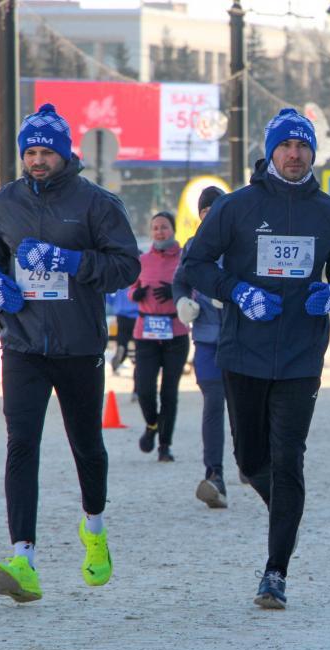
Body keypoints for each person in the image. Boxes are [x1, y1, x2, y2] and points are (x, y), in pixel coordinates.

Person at [182, 108, 330, 608]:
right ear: (271, 151)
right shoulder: (237, 207)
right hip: (244, 355)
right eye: (286, 145)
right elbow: (195, 262)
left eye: (303, 146)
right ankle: (286, 510)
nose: (294, 154)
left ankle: (275, 573)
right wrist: (237, 291)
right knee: (250, 462)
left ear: (312, 154)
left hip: (302, 357)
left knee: (288, 462)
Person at [0, 103, 140, 602]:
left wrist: (70, 261)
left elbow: (125, 267)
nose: (38, 160)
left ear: (65, 154)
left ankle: (95, 529)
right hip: (23, 344)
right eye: (31, 152)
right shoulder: (8, 201)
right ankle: (23, 558)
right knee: (21, 443)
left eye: (47, 151)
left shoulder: (96, 204)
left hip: (78, 346)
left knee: (86, 444)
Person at [173, 186, 230, 507]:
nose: (212, 218)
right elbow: (181, 279)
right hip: (207, 337)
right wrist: (182, 301)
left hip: (241, 338)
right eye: (206, 212)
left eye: (217, 211)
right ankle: (215, 476)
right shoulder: (194, 246)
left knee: (243, 405)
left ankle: (248, 460)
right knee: (213, 401)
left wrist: (236, 295)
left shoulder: (242, 243)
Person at [128, 211, 190, 461]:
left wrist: (176, 292)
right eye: (155, 228)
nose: (159, 232)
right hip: (146, 332)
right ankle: (152, 424)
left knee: (169, 392)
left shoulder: (185, 258)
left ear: (173, 230)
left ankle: (165, 445)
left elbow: (194, 291)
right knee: (144, 388)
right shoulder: (142, 259)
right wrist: (137, 295)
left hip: (175, 332)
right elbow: (130, 290)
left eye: (164, 227)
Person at [106, 285, 138, 375]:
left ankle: (121, 350)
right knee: (139, 344)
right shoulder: (137, 282)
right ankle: (136, 359)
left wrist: (116, 304)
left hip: (121, 316)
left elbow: (108, 297)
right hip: (138, 316)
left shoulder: (121, 282)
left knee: (122, 341)